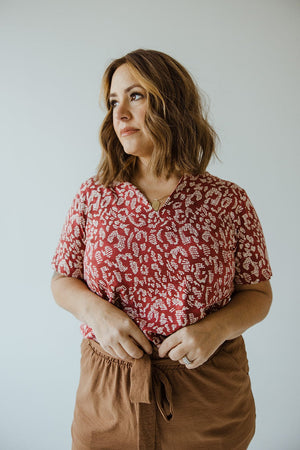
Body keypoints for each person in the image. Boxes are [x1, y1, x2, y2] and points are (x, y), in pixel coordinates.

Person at [51, 48, 273, 450]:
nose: (119, 115)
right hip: (107, 394)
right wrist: (96, 312)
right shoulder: (93, 196)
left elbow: (258, 294)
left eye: (135, 96)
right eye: (114, 102)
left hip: (208, 393)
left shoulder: (227, 201)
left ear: (171, 102)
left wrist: (216, 328)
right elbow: (63, 279)